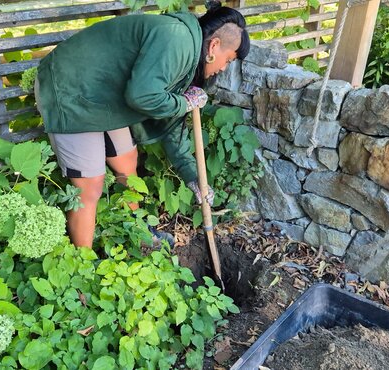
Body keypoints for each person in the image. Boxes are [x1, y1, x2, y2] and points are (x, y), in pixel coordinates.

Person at [34, 1, 250, 248]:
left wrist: (192, 177)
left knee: (127, 162)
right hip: (70, 88)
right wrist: (184, 104)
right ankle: (84, 269)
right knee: (89, 187)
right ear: (214, 45)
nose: (222, 69)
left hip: (103, 93)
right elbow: (142, 96)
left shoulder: (190, 62)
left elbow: (170, 118)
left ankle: (136, 230)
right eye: (228, 60)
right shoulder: (177, 39)